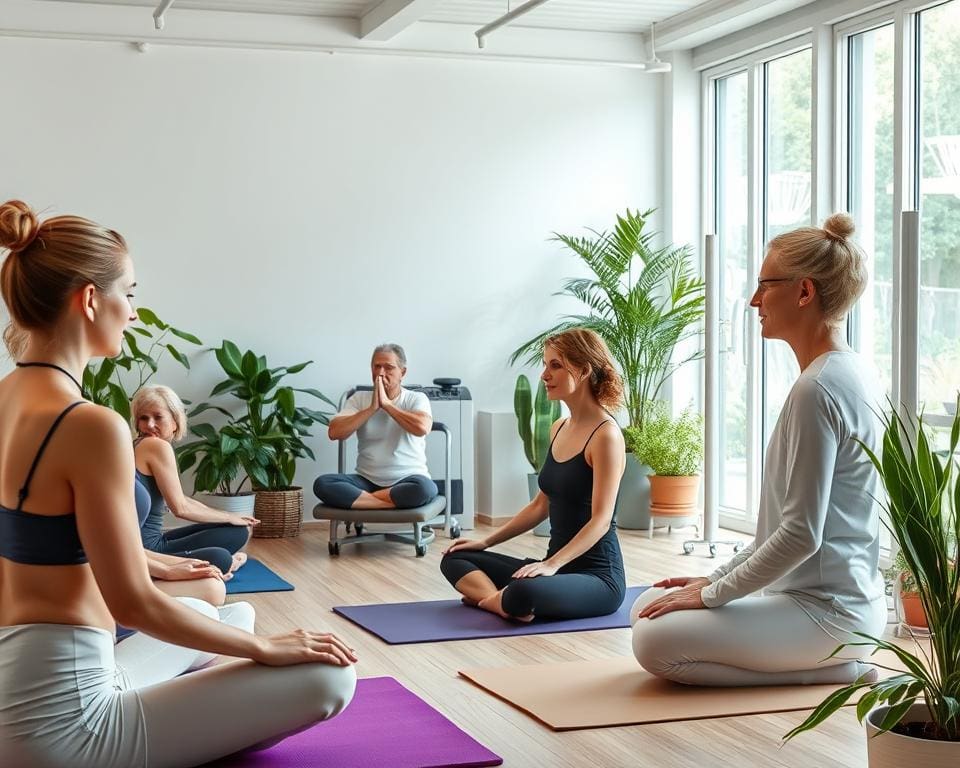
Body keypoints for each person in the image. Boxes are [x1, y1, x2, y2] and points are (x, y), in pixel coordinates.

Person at [0, 199, 356, 768]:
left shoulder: (5, 399)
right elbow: (133, 603)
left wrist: (172, 573)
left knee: (225, 615)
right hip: (68, 728)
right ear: (91, 300)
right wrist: (265, 649)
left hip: (18, 684)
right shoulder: (89, 424)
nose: (135, 313)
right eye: (131, 294)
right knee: (330, 680)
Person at [631, 213, 886, 687]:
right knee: (648, 606)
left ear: (804, 292)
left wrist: (712, 597)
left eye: (765, 285)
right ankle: (832, 663)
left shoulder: (819, 390)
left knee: (653, 641)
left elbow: (800, 537)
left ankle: (840, 671)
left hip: (826, 615)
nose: (753, 300)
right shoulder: (847, 373)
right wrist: (710, 583)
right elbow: (779, 529)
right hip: (832, 604)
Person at [440, 328, 626, 621]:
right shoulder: (558, 428)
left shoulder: (606, 436)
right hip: (553, 569)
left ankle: (500, 601)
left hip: (596, 578)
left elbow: (601, 520)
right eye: (545, 364)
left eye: (555, 365)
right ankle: (496, 601)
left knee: (522, 593)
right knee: (456, 558)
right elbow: (541, 505)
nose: (544, 375)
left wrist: (552, 564)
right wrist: (485, 542)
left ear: (584, 370)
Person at [132, 384, 256, 579]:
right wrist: (228, 517)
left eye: (157, 417)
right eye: (143, 418)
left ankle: (227, 562)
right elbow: (180, 509)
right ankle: (229, 563)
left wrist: (228, 515)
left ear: (175, 421)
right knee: (222, 555)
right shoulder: (155, 446)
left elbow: (181, 499)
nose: (149, 425)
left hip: (154, 540)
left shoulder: (140, 445)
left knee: (237, 530)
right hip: (149, 549)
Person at [314, 343, 437, 510]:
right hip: (366, 481)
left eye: (389, 367)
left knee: (425, 489)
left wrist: (387, 405)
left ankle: (364, 502)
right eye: (377, 366)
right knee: (323, 484)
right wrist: (372, 408)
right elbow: (334, 432)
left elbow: (422, 427)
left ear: (403, 372)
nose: (380, 373)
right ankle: (387, 502)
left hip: (409, 479)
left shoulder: (416, 398)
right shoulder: (359, 399)